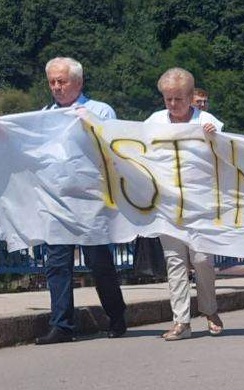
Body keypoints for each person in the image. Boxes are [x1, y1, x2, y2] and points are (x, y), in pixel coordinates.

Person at [34, 57, 127, 345]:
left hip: (91, 200)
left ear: (78, 82)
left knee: (99, 261)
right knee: (57, 263)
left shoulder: (100, 110)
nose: (57, 87)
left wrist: (93, 124)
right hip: (57, 200)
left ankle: (116, 315)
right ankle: (61, 325)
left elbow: (116, 144)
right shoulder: (44, 115)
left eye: (62, 81)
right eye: (52, 82)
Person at [145, 67, 225, 340]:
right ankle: (181, 320)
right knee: (175, 261)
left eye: (178, 98)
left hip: (201, 204)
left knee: (202, 259)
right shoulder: (154, 121)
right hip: (168, 205)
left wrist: (215, 137)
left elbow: (224, 155)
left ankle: (209, 309)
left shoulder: (206, 120)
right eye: (168, 98)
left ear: (191, 97)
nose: (173, 104)